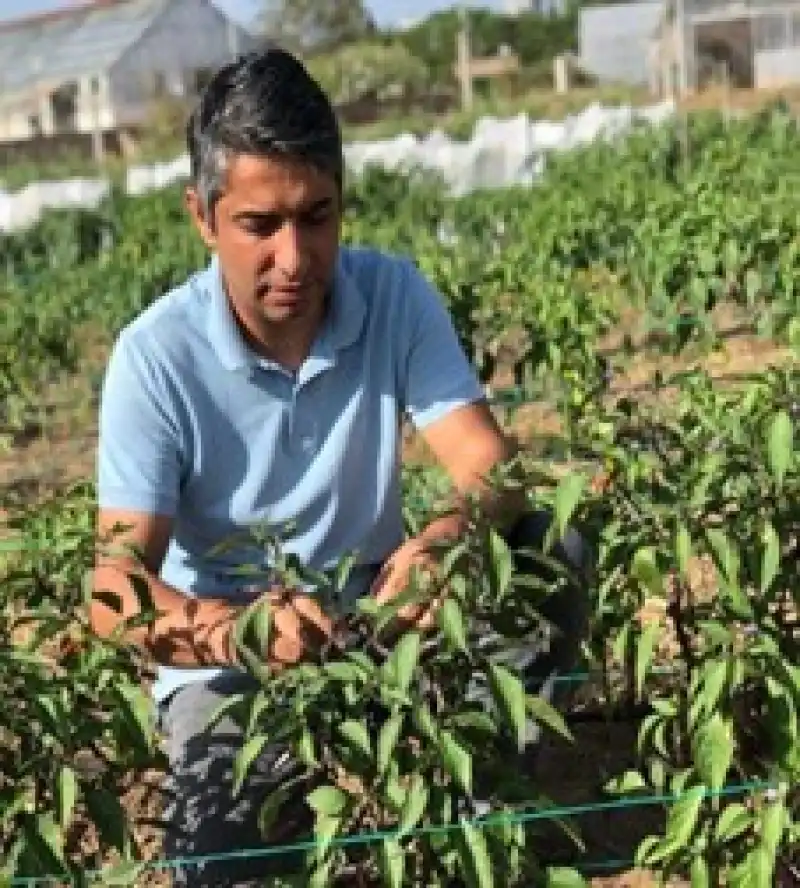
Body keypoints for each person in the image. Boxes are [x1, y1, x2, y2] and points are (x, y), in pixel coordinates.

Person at [90, 48, 592, 887]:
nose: (295, 257)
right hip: (232, 660)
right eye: (260, 224)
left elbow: (492, 468)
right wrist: (241, 631)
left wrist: (438, 542)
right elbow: (113, 592)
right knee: (221, 869)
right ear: (202, 217)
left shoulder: (391, 294)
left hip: (382, 621)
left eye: (317, 217)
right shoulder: (155, 357)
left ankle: (468, 798)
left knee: (552, 547)